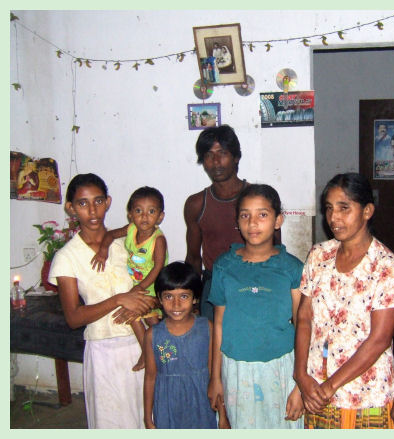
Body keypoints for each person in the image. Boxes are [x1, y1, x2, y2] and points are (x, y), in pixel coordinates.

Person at [295, 172, 394, 429]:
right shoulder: (319, 255)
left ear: (367, 211)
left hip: (365, 394)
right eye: (329, 208)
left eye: (344, 208)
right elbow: (304, 317)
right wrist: (301, 374)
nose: (334, 217)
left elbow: (379, 340)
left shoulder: (385, 267)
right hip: (317, 388)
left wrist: (331, 385)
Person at [49, 173, 156, 428]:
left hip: (140, 344)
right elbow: (74, 318)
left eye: (98, 201)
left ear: (108, 202)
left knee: (147, 418)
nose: (92, 210)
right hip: (103, 351)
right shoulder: (67, 257)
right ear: (71, 208)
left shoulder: (128, 242)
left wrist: (146, 303)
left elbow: (155, 289)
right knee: (111, 421)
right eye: (82, 203)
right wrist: (119, 300)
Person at [207, 184, 304, 428]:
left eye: (262, 214)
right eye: (245, 215)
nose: (253, 223)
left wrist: (300, 384)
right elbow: (218, 325)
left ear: (278, 220)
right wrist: (215, 377)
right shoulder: (224, 266)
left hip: (282, 368)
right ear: (237, 222)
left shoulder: (292, 268)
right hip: (237, 370)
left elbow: (303, 325)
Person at [184, 125, 280, 321]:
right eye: (209, 155)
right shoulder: (196, 204)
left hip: (256, 280)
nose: (215, 162)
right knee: (214, 338)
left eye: (222, 153)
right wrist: (192, 298)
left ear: (236, 157)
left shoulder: (260, 200)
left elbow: (276, 249)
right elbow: (193, 258)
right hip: (214, 283)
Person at [91, 186, 168, 371]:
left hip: (153, 285)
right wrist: (103, 251)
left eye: (151, 212)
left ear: (160, 217)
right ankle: (150, 352)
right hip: (136, 284)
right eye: (139, 211)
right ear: (130, 215)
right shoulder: (131, 229)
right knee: (137, 317)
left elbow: (158, 267)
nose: (144, 217)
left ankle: (153, 354)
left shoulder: (158, 240)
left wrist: (139, 288)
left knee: (149, 320)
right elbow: (110, 234)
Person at [143, 262, 228, 429]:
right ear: (159, 298)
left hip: (201, 405)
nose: (176, 304)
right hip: (167, 407)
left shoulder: (207, 328)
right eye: (168, 297)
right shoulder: (153, 335)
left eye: (184, 296)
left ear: (195, 298)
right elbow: (150, 377)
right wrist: (147, 418)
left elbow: (215, 374)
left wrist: (223, 416)